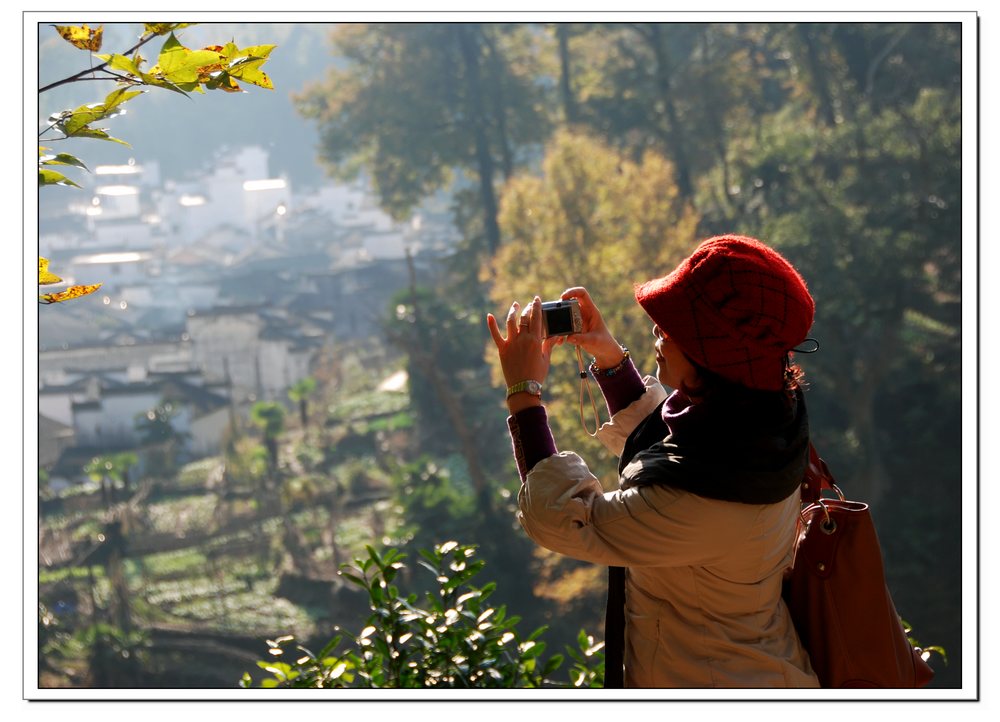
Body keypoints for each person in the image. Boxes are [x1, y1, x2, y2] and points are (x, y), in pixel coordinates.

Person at [486, 235, 820, 688]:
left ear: (711, 357)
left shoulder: (699, 499)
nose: (656, 334)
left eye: (672, 328)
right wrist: (607, 357)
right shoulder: (765, 426)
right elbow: (668, 440)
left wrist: (523, 394)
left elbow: (567, 520)